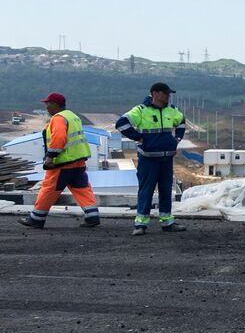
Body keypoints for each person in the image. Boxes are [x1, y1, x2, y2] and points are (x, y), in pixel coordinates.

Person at [18, 93, 101, 229]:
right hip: (78, 161)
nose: (47, 107)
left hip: (63, 162)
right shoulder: (73, 116)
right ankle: (92, 217)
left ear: (56, 105)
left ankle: (36, 219)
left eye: (48, 104)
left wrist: (50, 156)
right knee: (82, 188)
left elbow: (59, 138)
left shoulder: (58, 118)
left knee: (49, 189)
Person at [115, 82, 187, 236]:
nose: (169, 96)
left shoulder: (172, 110)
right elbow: (121, 123)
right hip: (148, 159)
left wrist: (177, 139)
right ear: (155, 93)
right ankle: (140, 224)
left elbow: (181, 121)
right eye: (166, 93)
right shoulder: (141, 110)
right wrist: (139, 138)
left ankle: (167, 221)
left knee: (166, 190)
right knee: (146, 190)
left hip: (166, 158)